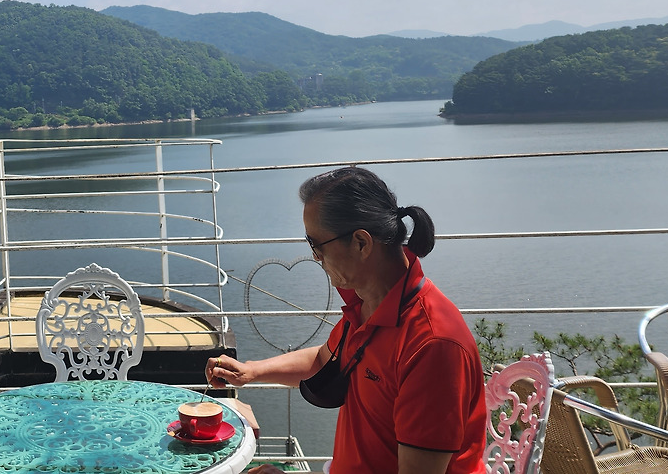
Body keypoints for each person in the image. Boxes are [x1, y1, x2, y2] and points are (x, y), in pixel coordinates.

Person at [206, 167, 487, 474]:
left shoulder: (433, 345)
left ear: (361, 243)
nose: (315, 257)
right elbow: (325, 360)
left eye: (316, 245)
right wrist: (251, 371)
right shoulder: (369, 303)